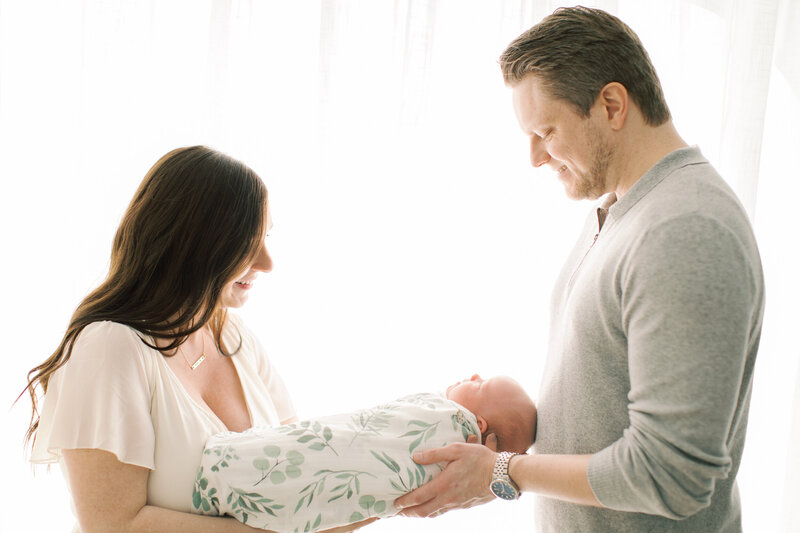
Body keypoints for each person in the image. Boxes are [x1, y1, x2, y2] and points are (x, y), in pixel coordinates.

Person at [395, 7, 765, 533]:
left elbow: (671, 476)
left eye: (545, 131)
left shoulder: (685, 227)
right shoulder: (624, 208)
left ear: (612, 105)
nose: (535, 158)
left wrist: (502, 473)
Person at [22, 146, 372, 533]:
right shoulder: (108, 348)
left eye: (266, 237)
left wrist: (385, 489)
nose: (267, 262)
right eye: (246, 242)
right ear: (191, 243)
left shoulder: (232, 336)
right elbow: (112, 525)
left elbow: (298, 470)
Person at [192, 375, 536, 531]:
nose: (472, 375)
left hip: (220, 460)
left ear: (477, 424)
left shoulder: (448, 423)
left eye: (480, 385)